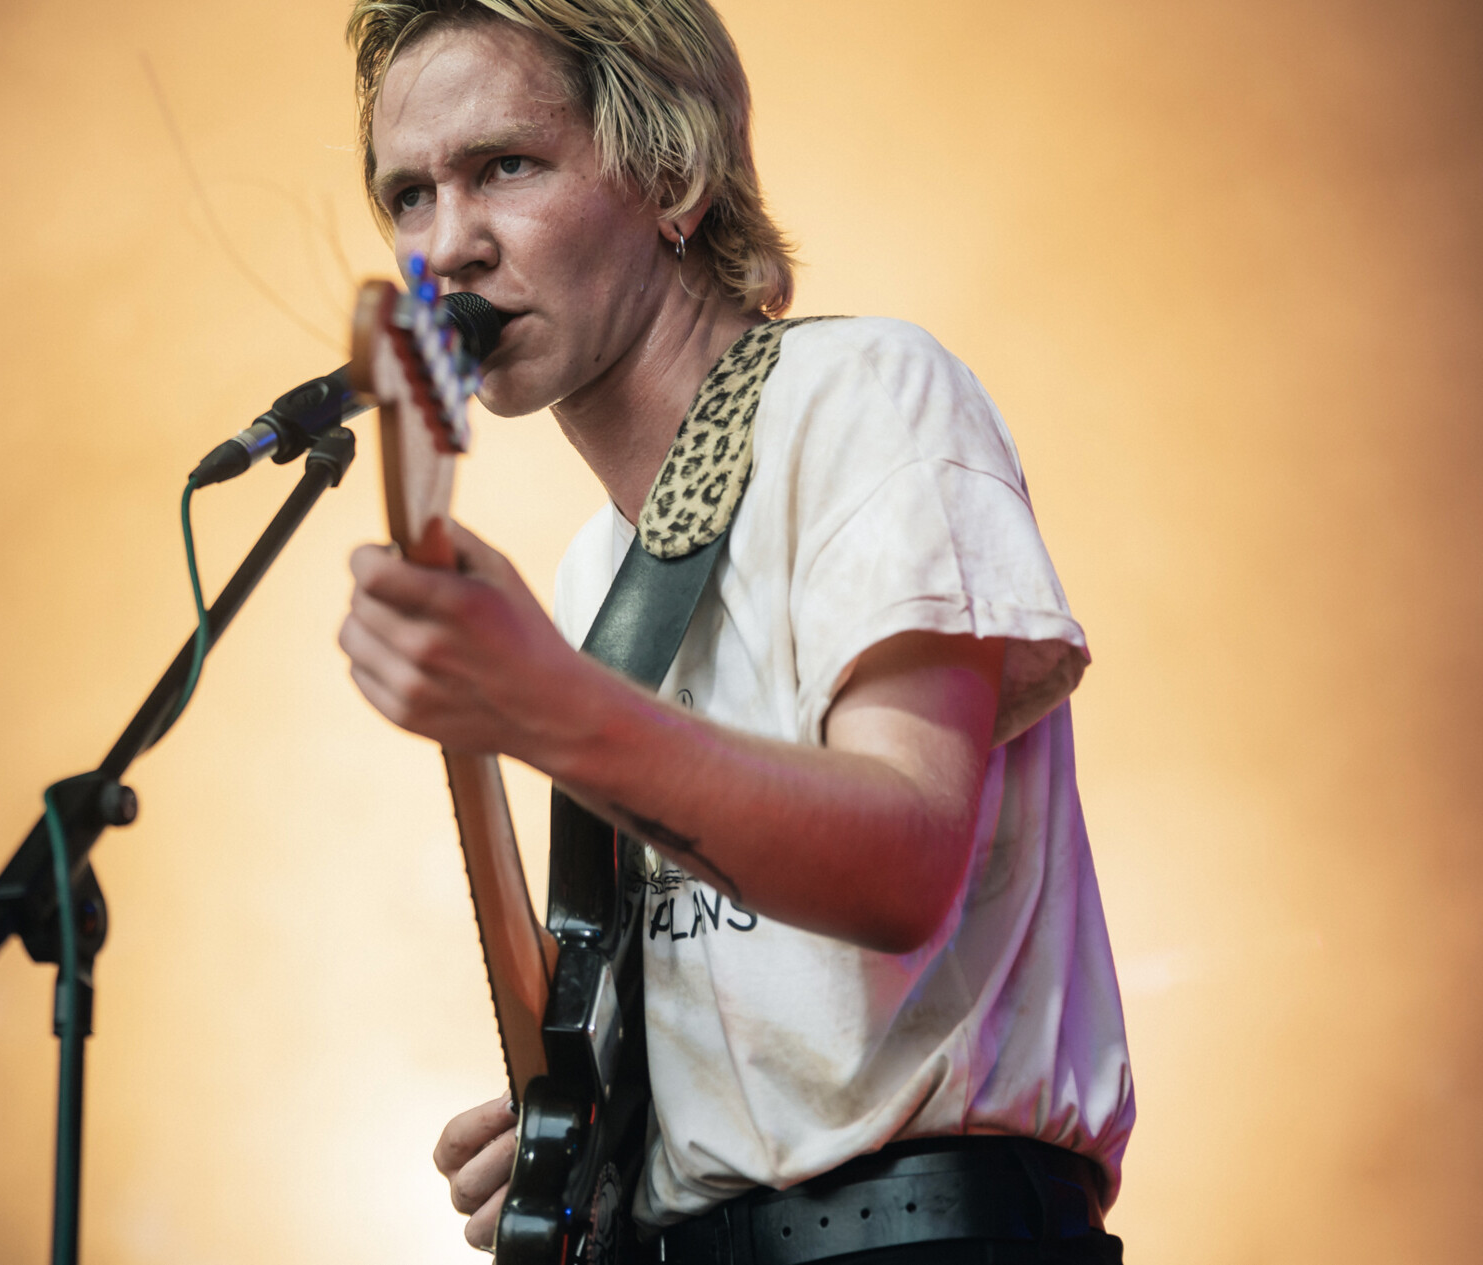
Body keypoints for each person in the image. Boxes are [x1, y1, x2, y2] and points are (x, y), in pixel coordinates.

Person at [335, 2, 1135, 1261]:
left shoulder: (863, 395)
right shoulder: (598, 570)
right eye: (409, 196)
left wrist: (548, 703)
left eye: (506, 166)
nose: (449, 247)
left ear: (673, 178)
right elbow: (752, 973)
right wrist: (599, 1139)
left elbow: (901, 865)